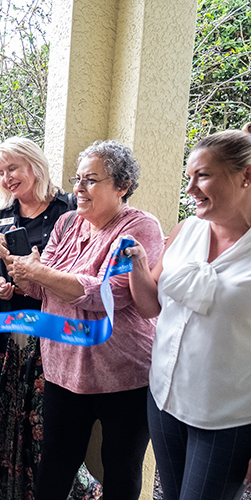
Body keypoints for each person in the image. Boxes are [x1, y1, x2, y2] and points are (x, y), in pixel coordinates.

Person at [2, 140, 163, 500]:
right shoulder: (66, 223)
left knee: (121, 468)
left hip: (124, 373)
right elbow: (44, 289)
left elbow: (110, 294)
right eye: (77, 179)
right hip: (64, 370)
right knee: (55, 463)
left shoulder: (140, 227)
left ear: (121, 187)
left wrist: (39, 273)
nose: (79, 188)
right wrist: (19, 276)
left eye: (91, 180)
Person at [0, 138, 99, 499]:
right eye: (1, 172)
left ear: (35, 166)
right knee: (1, 421)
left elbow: (84, 271)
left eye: (13, 168)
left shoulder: (69, 210)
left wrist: (37, 273)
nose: (6, 178)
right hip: (3, 336)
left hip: (51, 335)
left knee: (45, 426)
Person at [126, 129, 251, 500]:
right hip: (163, 399)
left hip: (226, 417)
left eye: (204, 176)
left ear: (247, 175)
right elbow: (151, 306)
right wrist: (138, 263)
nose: (191, 189)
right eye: (189, 178)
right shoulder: (185, 231)